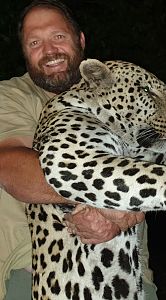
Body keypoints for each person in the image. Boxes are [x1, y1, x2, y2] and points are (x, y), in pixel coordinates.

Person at [0, 0, 157, 299]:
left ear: (80, 40)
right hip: (39, 277)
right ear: (24, 52)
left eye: (58, 36)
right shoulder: (11, 96)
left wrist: (128, 211)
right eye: (35, 42)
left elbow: (156, 170)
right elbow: (10, 167)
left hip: (130, 273)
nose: (49, 51)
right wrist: (108, 197)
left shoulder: (120, 91)